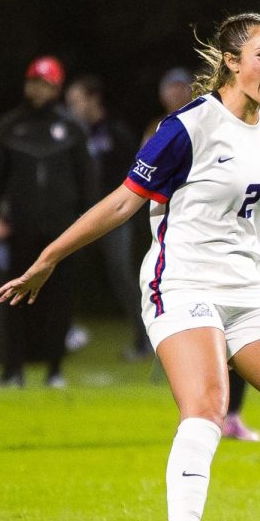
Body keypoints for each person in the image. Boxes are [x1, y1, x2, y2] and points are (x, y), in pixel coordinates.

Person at [0, 12, 260, 521]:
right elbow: (120, 205)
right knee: (208, 405)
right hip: (180, 283)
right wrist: (50, 257)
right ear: (231, 62)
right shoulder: (187, 127)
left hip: (245, 290)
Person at [143, 66, 260, 441]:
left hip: (234, 267)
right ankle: (202, 416)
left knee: (242, 336)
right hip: (186, 269)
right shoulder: (173, 129)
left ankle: (231, 414)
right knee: (203, 392)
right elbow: (133, 197)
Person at [0, 56, 94, 388]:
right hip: (22, 229)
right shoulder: (9, 126)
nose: (37, 89)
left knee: (59, 302)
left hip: (61, 233)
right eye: (33, 81)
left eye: (44, 83)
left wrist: (85, 225)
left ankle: (54, 370)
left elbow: (86, 181)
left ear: (56, 87)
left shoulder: (71, 128)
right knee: (16, 300)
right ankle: (12, 370)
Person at [66, 74, 151, 360]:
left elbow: (134, 176)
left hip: (114, 218)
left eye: (76, 101)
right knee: (64, 268)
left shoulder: (116, 133)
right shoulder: (73, 134)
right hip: (83, 216)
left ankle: (146, 339)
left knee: (122, 278)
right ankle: (63, 334)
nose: (72, 108)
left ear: (93, 99)